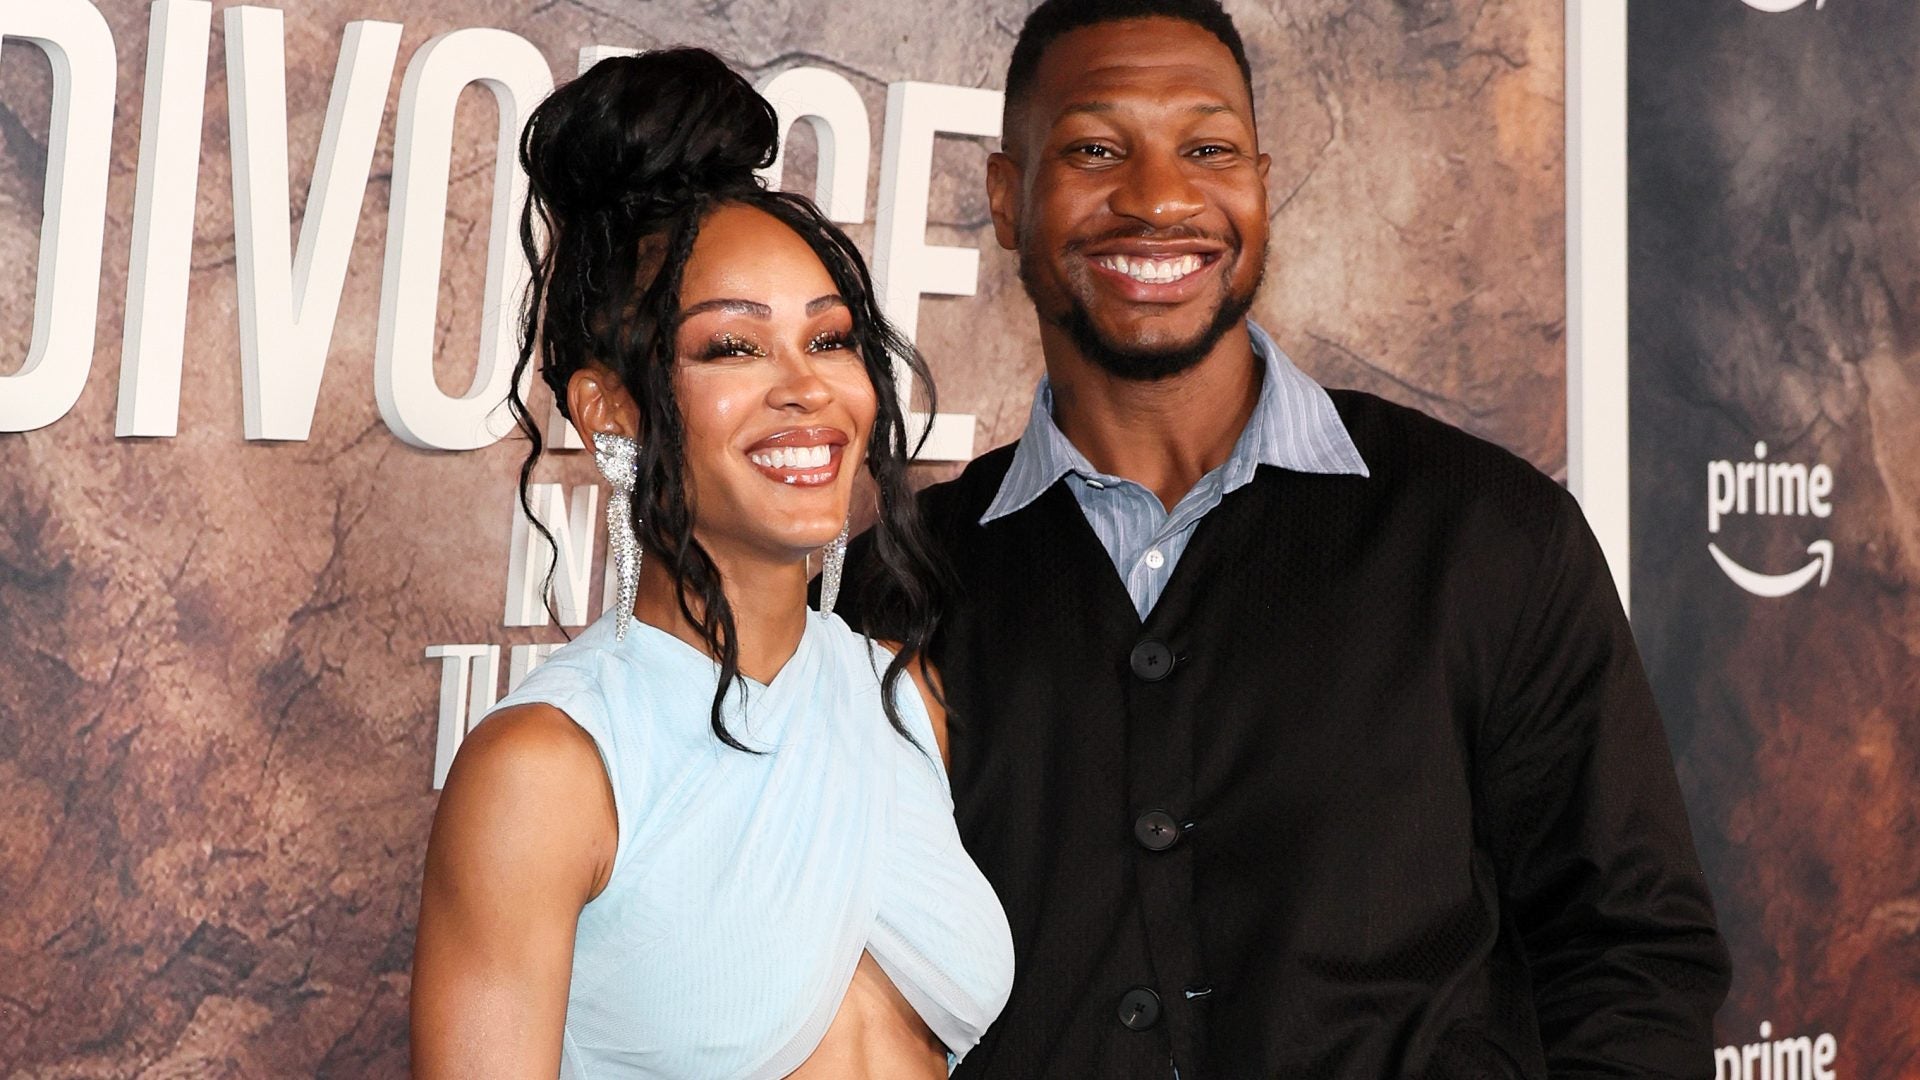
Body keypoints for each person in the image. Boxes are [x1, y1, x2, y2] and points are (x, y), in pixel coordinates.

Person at [837, 1, 1732, 1076]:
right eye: (1095, 150)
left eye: (1208, 149)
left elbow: (1631, 960)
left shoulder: (1489, 535)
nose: (1160, 197)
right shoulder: (897, 585)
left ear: (1261, 186)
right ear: (1005, 199)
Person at [409, 49, 1012, 1080]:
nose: (807, 389)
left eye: (831, 340)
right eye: (734, 348)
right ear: (610, 409)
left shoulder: (902, 699)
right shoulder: (545, 773)